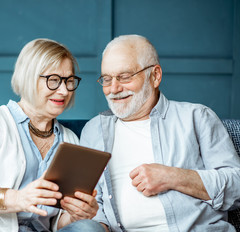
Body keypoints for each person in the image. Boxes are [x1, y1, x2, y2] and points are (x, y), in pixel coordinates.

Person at [0, 38, 104, 232]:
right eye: (54, 80)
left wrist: (76, 214)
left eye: (69, 81)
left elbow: (55, 224)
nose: (64, 90)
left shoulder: (70, 140)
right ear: (28, 78)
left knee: (89, 227)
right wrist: (17, 199)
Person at [80, 34, 240, 231]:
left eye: (125, 77)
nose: (113, 88)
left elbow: (237, 185)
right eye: (106, 79)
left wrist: (172, 176)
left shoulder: (196, 117)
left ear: (155, 76)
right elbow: (93, 202)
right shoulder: (93, 130)